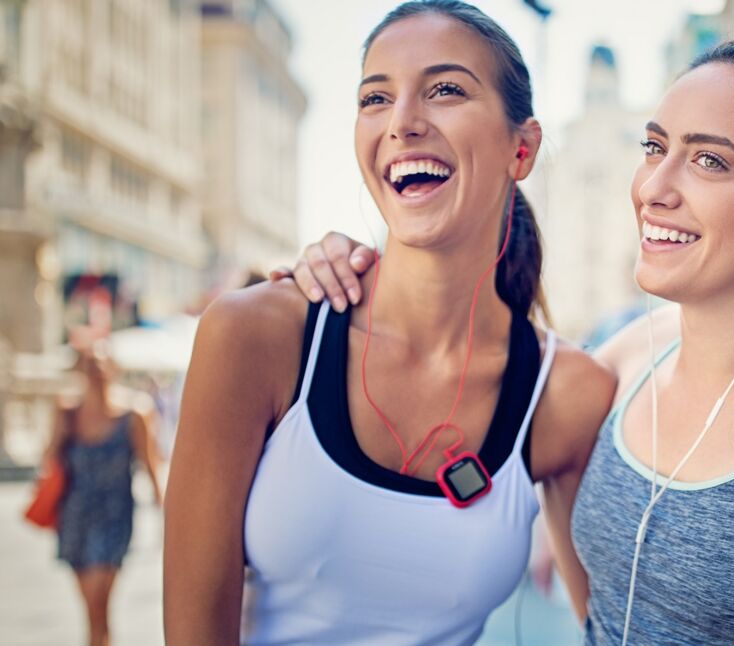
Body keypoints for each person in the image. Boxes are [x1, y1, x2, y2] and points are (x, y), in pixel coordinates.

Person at [284, 36, 734, 645]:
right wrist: (356, 268)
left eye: (709, 161)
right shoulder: (620, 364)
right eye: (654, 148)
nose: (654, 188)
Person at [162, 2, 613, 644]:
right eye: (375, 98)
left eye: (446, 90)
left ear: (523, 148)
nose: (402, 123)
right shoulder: (256, 336)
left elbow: (610, 626)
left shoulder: (566, 392)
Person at [42, 334, 164, 646]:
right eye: (89, 366)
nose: (96, 373)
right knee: (91, 607)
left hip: (114, 515)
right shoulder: (68, 412)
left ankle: (99, 639)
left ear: (112, 368)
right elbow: (49, 459)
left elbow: (149, 464)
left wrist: (164, 509)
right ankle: (101, 640)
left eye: (100, 365)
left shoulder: (133, 414)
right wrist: (60, 432)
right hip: (75, 515)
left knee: (99, 599)